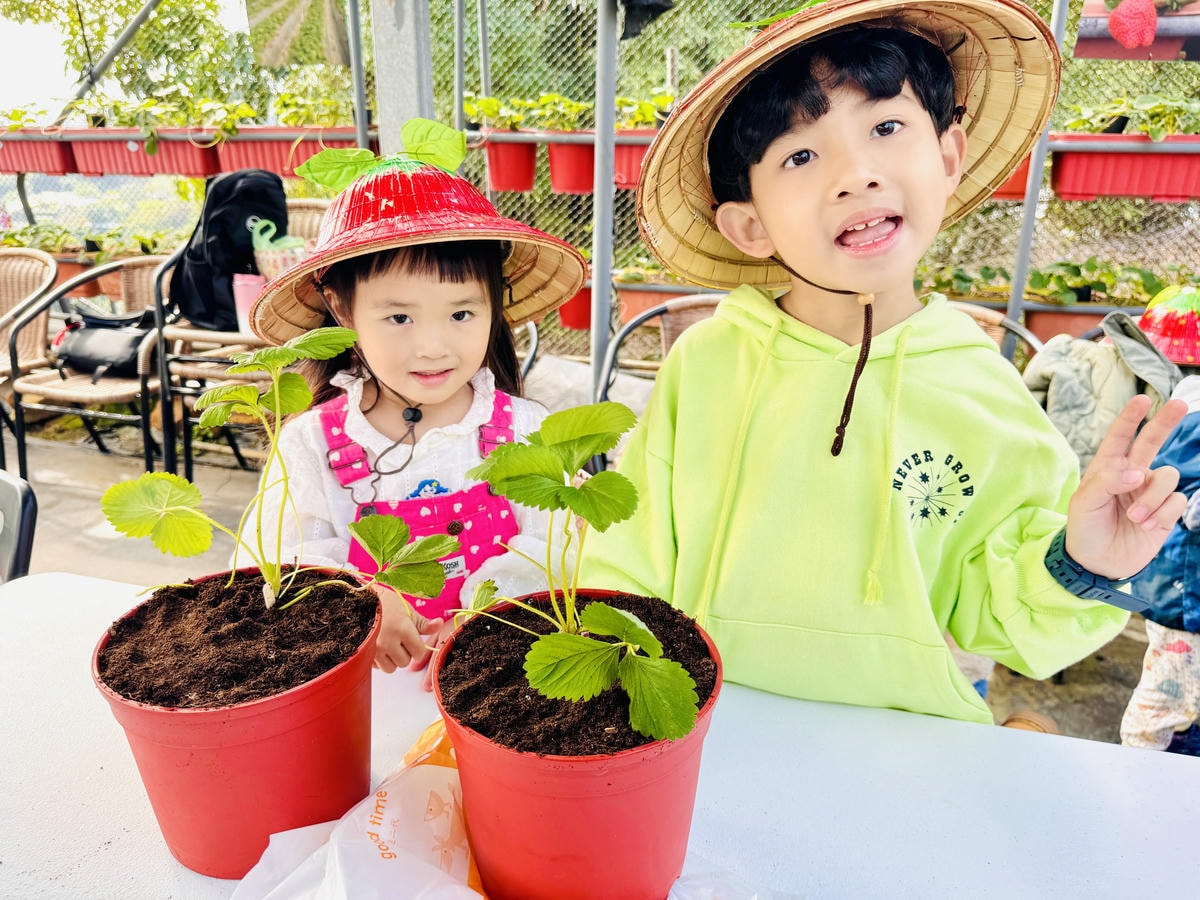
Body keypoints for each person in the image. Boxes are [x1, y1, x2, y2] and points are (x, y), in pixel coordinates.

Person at [581, 0, 1188, 724]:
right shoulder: (707, 361)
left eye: (885, 127)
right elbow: (631, 556)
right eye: (800, 155)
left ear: (949, 157)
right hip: (708, 723)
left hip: (904, 740)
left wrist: (1082, 562)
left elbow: (1007, 619)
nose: (855, 174)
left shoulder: (983, 388)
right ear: (750, 224)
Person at [246, 152, 587, 675]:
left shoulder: (524, 429)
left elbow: (560, 545)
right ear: (342, 309)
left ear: (494, 306)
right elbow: (282, 562)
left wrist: (485, 615)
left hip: (498, 676)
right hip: (363, 688)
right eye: (399, 316)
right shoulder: (311, 444)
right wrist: (359, 607)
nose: (432, 347)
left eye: (461, 314)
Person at [1121, 376, 1200, 755]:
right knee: (1164, 698)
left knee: (1167, 689)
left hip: (1171, 585)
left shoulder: (1181, 417)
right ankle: (1137, 771)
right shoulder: (1193, 428)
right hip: (1188, 600)